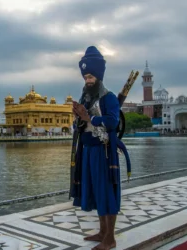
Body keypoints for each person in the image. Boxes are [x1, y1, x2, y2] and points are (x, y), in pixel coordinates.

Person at [71, 46, 121, 250]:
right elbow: (80, 124)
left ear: (98, 76)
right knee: (94, 190)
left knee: (106, 191)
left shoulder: (108, 98)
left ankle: (110, 238)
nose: (87, 80)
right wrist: (78, 120)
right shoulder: (86, 98)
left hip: (104, 152)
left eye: (90, 76)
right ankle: (102, 232)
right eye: (85, 77)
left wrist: (87, 117)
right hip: (88, 150)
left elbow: (112, 122)